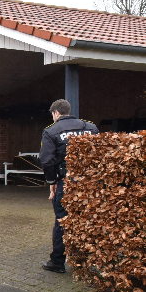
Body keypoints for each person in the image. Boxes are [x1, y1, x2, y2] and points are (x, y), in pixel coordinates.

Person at [39, 99, 98, 273]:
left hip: (66, 183)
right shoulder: (91, 128)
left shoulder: (51, 131)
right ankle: (87, 260)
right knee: (87, 220)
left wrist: (52, 182)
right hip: (89, 183)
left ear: (56, 113)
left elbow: (46, 161)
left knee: (62, 221)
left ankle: (57, 263)